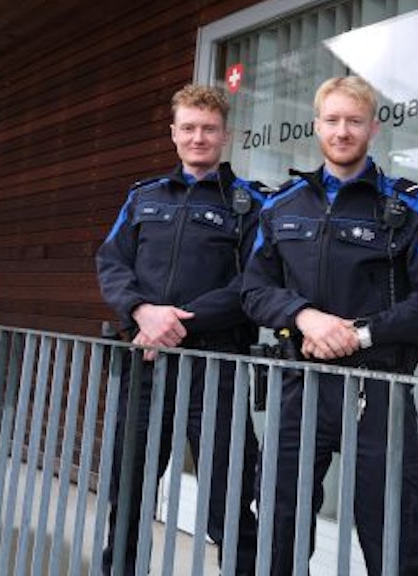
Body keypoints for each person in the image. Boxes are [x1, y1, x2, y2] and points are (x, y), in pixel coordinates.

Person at [241, 76, 418, 575]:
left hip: (378, 387)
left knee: (394, 532)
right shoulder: (281, 205)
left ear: (373, 128)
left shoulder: (408, 204)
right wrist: (305, 317)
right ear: (316, 125)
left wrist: (361, 334)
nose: (342, 131)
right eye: (332, 120)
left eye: (354, 121)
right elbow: (254, 289)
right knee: (278, 523)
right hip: (299, 385)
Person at [97, 84, 264, 575]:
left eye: (209, 129)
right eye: (188, 128)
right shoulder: (143, 197)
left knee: (229, 500)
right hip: (146, 365)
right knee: (129, 493)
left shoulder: (251, 204)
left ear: (226, 135)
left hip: (216, 369)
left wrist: (172, 322)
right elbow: (112, 262)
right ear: (173, 133)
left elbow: (253, 284)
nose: (198, 138)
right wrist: (141, 311)